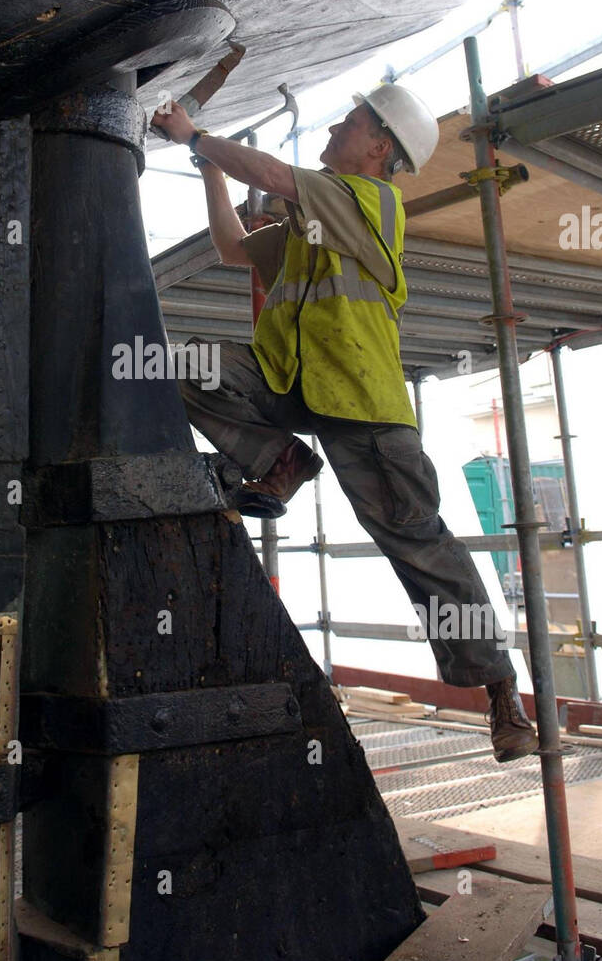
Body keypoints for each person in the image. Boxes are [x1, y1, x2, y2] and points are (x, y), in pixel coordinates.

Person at [152, 83, 539, 763]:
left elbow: (272, 175)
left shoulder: (370, 199)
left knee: (419, 547)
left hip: (364, 402)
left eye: (351, 120)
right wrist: (211, 171)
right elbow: (233, 248)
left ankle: (500, 688)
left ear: (379, 145)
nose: (336, 124)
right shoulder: (313, 221)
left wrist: (194, 137)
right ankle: (281, 460)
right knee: (184, 366)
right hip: (292, 380)